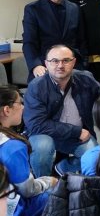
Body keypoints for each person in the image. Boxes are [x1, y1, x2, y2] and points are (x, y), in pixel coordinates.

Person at [22, 45, 100, 177]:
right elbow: (36, 124)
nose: (60, 65)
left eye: (66, 60)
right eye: (54, 61)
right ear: (46, 64)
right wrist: (77, 131)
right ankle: (45, 185)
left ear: (74, 62)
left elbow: (99, 94)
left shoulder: (85, 78)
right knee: (42, 147)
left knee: (96, 157)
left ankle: (63, 168)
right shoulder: (36, 86)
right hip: (45, 134)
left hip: (74, 136)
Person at [0, 86, 57, 216]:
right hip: (13, 209)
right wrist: (49, 181)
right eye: (20, 103)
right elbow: (27, 190)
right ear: (7, 110)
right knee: (62, 191)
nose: (23, 107)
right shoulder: (13, 147)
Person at [22, 0, 86, 82]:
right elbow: (29, 42)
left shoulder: (74, 8)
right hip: (43, 69)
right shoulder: (32, 9)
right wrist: (35, 65)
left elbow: (81, 40)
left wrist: (83, 64)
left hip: (73, 69)